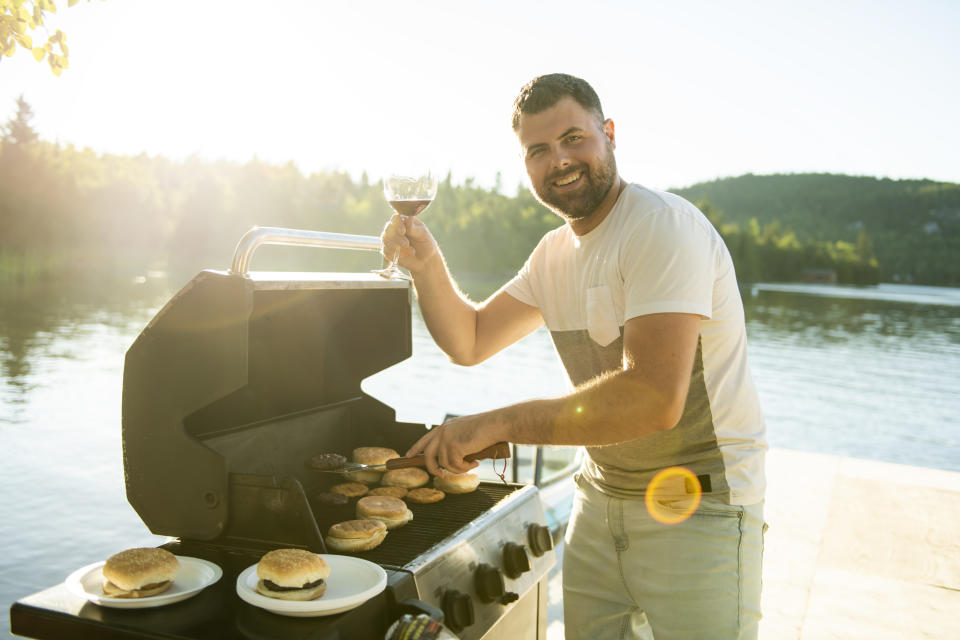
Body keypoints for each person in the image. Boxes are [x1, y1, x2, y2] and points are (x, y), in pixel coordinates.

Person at [380, 73, 768, 640]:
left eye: (573, 138)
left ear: (608, 134)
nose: (558, 160)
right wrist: (426, 265)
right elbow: (469, 339)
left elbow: (654, 399)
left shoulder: (662, 227)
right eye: (538, 150)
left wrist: (496, 423)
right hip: (599, 495)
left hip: (702, 508)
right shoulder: (553, 254)